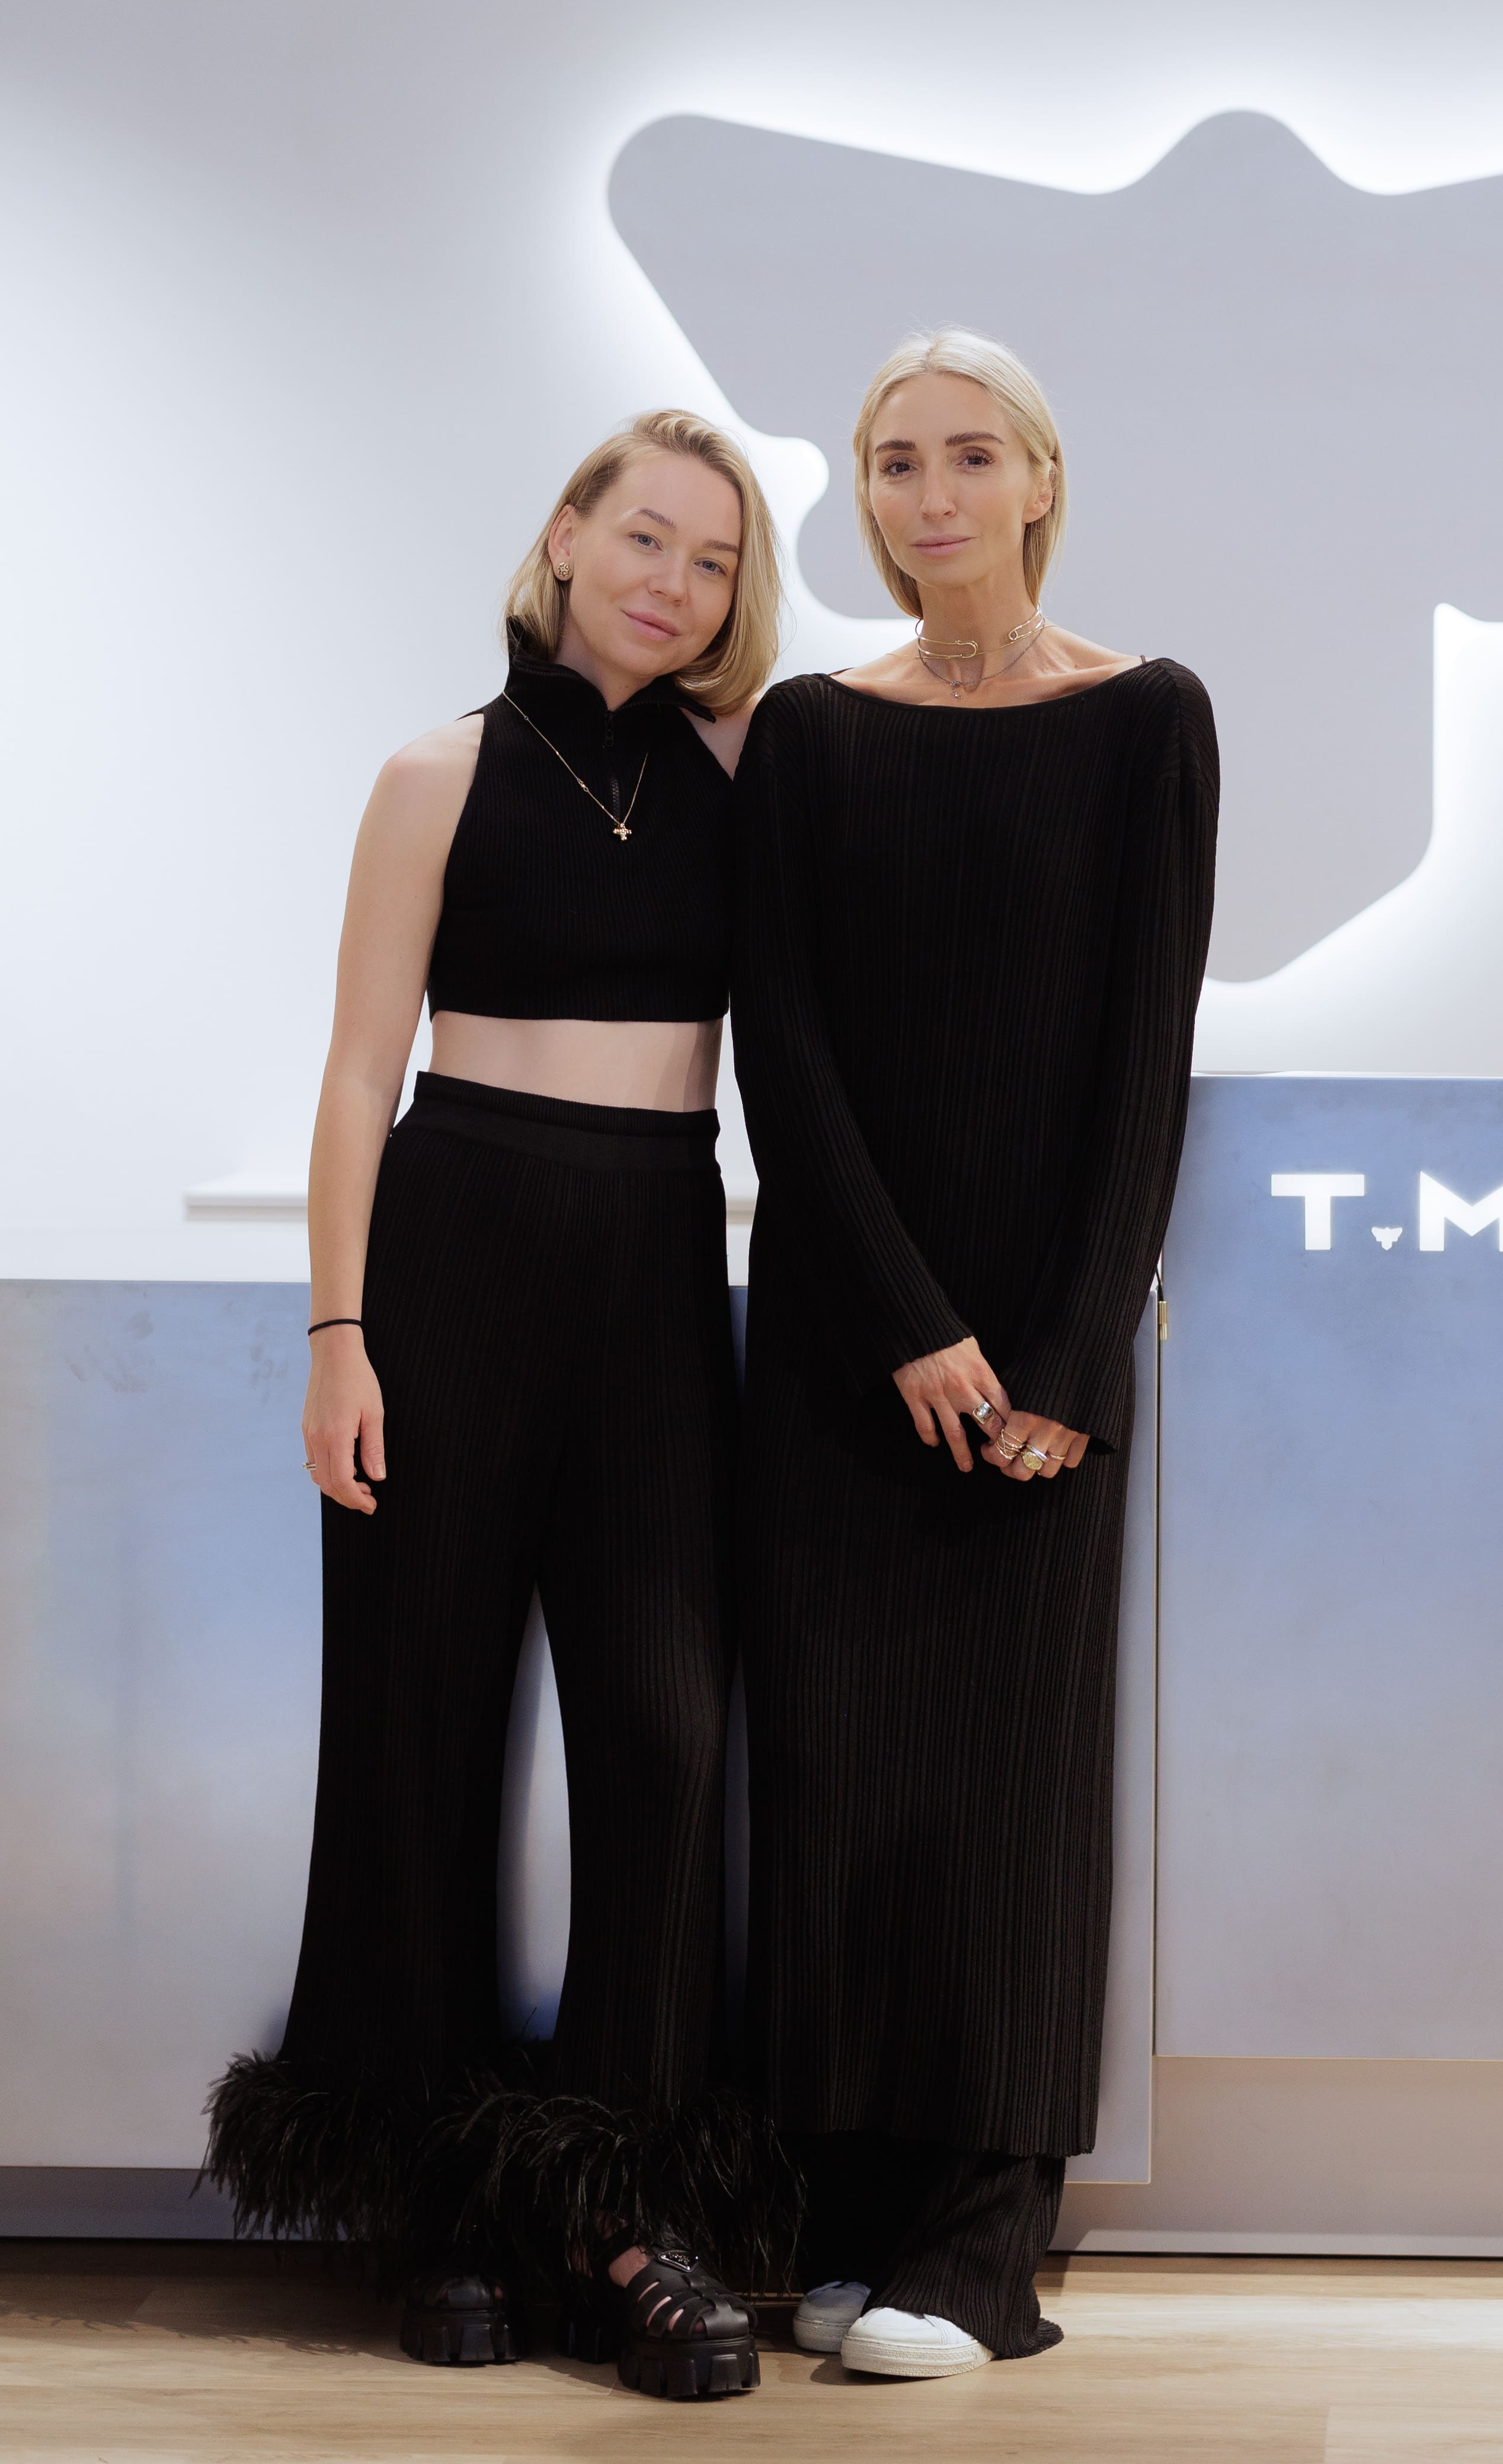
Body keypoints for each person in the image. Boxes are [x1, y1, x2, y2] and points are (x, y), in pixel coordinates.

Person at [204, 408, 789, 2401]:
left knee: (664, 1735)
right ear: (562, 536)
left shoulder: (740, 768)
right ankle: (439, 2194)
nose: (673, 581)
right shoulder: (435, 772)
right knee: (417, 1724)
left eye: (713, 559)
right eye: (645, 535)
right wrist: (337, 1331)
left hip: (652, 1261)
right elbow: (357, 1068)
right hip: (453, 1249)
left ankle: (622, 2207)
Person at [734, 328, 1218, 2379]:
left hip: (1041, 1373)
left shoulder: (1146, 717)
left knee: (1008, 1809)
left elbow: (1142, 1057)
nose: (927, 494)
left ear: (1037, 476)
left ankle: (980, 2252)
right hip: (843, 1353)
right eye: (890, 460)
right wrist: (905, 1324)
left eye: (964, 454)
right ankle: (840, 2222)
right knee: (835, 1793)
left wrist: (1065, 1359)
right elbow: (784, 1053)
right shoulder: (806, 732)